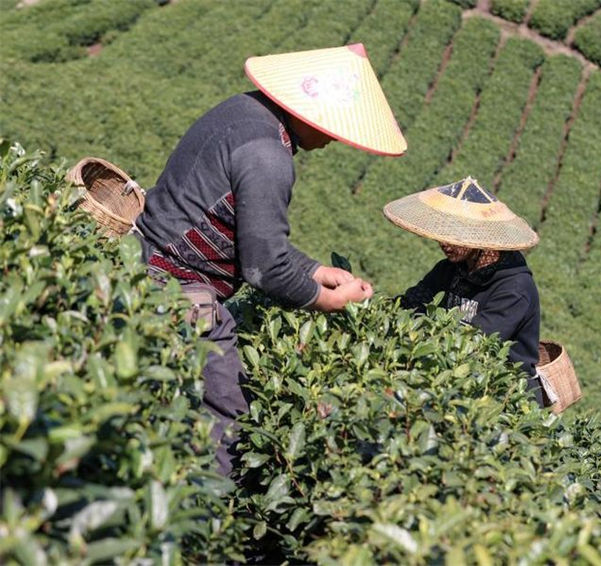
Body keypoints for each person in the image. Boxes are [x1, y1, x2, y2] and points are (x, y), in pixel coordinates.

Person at [132, 44, 407, 475]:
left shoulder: (243, 110)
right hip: (174, 285)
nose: (333, 138)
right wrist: (327, 299)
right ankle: (203, 520)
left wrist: (315, 270)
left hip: (144, 256)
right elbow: (263, 266)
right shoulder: (267, 155)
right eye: (331, 126)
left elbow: (246, 233)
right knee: (226, 412)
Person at [383, 176, 546, 406]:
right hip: (460, 383)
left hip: (506, 397)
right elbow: (412, 304)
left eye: (457, 235)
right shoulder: (449, 270)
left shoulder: (514, 288)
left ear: (479, 237)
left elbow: (473, 344)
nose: (445, 243)